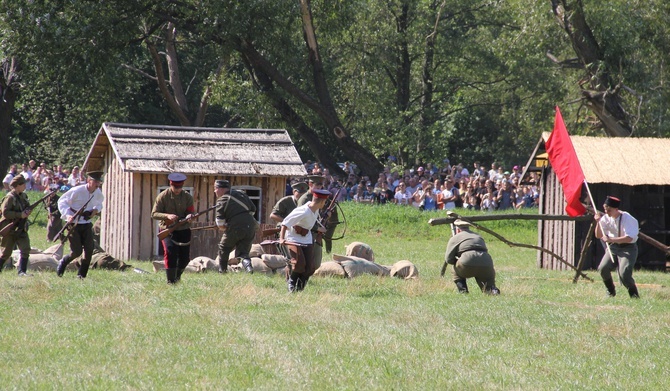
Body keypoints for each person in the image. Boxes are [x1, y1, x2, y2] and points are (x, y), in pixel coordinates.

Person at [56, 171, 105, 279]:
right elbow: (62, 202)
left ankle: (81, 275)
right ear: (88, 180)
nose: (97, 184)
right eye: (95, 181)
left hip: (86, 223)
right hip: (74, 224)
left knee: (89, 249)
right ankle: (64, 261)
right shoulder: (77, 190)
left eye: (99, 182)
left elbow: (100, 203)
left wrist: (95, 210)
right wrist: (68, 215)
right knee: (76, 251)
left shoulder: (97, 192)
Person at [279, 188, 330, 292]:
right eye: (324, 202)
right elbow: (285, 223)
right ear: (320, 201)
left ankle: (299, 289)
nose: (325, 204)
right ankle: (291, 286)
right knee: (299, 264)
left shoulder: (315, 210)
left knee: (310, 268)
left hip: (306, 239)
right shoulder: (303, 211)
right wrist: (281, 238)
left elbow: (311, 225)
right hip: (293, 238)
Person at [594, 196, 640, 298]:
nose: (606, 212)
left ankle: (634, 295)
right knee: (603, 268)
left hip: (628, 248)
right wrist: (598, 222)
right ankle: (610, 291)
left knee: (624, 273)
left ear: (616, 209)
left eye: (609, 210)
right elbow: (598, 235)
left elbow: (628, 238)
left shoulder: (628, 219)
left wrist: (611, 239)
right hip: (614, 247)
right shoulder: (606, 218)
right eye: (605, 210)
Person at [214, 179, 258, 274]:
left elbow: (220, 223)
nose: (215, 191)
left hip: (235, 227)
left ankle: (222, 272)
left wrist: (225, 226)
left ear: (221, 189)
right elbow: (253, 209)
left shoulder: (222, 200)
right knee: (243, 253)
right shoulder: (241, 194)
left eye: (216, 188)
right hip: (250, 226)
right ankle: (248, 268)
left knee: (224, 248)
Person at [445, 219, 500, 294]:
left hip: (467, 260)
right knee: (487, 282)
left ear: (457, 229)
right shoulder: (478, 236)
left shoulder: (455, 238)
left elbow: (448, 259)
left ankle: (463, 291)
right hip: (486, 261)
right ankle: (492, 290)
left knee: (454, 269)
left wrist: (458, 260)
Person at [0, 176, 34, 276]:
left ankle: (22, 272)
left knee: (26, 249)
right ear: (17, 185)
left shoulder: (23, 196)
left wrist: (28, 212)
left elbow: (26, 208)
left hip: (21, 227)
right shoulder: (10, 197)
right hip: (10, 228)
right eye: (23, 184)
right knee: (6, 252)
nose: (24, 186)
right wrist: (20, 215)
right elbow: (5, 213)